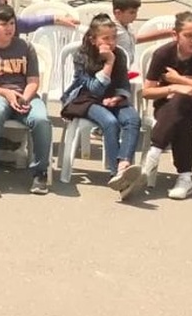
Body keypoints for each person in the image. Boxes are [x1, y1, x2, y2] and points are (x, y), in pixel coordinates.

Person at [0, 4, 50, 197]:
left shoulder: (25, 47)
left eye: (12, 23)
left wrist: (25, 97)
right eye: (4, 24)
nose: (9, 28)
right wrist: (5, 94)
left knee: (41, 120)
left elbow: (33, 81)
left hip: (25, 95)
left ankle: (40, 173)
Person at [61, 15, 142, 198]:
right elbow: (94, 89)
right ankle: (117, 174)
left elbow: (123, 83)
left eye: (114, 38)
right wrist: (109, 63)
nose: (111, 42)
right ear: (93, 39)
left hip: (112, 98)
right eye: (106, 38)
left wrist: (119, 97)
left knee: (132, 119)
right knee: (110, 122)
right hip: (86, 100)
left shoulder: (120, 54)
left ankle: (123, 165)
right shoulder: (82, 56)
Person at [141, 12, 192, 200]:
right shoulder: (163, 54)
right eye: (188, 35)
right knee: (182, 113)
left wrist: (179, 80)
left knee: (182, 101)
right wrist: (174, 87)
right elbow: (147, 92)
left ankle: (154, 153)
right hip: (168, 108)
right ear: (175, 35)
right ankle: (185, 177)